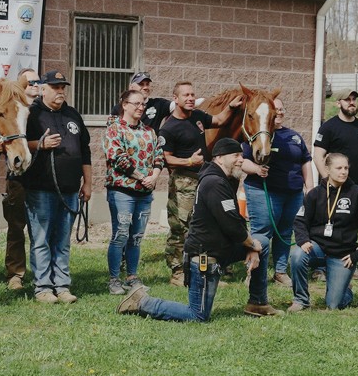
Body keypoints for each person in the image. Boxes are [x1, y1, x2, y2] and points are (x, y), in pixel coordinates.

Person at [117, 138, 281, 322]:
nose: (241, 159)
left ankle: (257, 303)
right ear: (219, 158)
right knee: (198, 315)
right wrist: (252, 245)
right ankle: (142, 302)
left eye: (242, 155)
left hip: (221, 249)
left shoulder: (222, 180)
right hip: (205, 256)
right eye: (236, 155)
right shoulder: (214, 183)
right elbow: (231, 225)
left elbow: (236, 218)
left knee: (263, 243)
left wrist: (252, 247)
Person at [159, 81, 243, 286]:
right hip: (183, 182)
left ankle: (203, 271)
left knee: (204, 226)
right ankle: (178, 272)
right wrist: (189, 161)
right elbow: (164, 158)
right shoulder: (169, 128)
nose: (189, 98)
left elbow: (219, 120)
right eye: (185, 95)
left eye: (192, 95)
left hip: (203, 180)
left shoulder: (197, 116)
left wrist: (230, 107)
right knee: (181, 226)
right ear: (175, 99)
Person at [20, 70, 92, 304]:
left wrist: (88, 182)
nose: (60, 91)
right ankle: (42, 288)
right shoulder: (31, 113)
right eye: (55, 87)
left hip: (70, 189)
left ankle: (61, 286)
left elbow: (85, 151)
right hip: (40, 188)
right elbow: (17, 143)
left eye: (63, 87)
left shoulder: (72, 114)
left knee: (62, 240)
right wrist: (39, 143)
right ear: (43, 89)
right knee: (41, 239)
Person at [288, 153, 358, 311]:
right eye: (339, 168)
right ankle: (301, 300)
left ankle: (346, 289)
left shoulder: (357, 194)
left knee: (334, 305)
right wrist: (303, 240)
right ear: (327, 169)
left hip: (342, 255)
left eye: (346, 168)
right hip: (317, 249)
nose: (343, 172)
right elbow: (300, 220)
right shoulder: (315, 194)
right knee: (297, 255)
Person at [241, 98, 313, 287]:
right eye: (276, 109)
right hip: (264, 192)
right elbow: (243, 161)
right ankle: (255, 272)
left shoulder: (294, 136)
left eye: (281, 109)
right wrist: (257, 169)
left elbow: (305, 160)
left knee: (286, 232)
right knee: (262, 233)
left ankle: (280, 272)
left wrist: (310, 187)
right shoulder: (257, 134)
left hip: (293, 193)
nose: (279, 113)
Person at [103, 89, 164, 294]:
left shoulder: (150, 131)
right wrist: (141, 177)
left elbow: (159, 155)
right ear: (125, 105)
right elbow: (117, 157)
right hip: (122, 191)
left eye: (143, 104)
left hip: (145, 193)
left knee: (136, 237)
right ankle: (114, 279)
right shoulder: (114, 129)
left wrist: (154, 176)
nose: (141, 107)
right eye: (136, 103)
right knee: (120, 234)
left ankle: (132, 276)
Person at [313, 88, 358, 275]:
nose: (351, 102)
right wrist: (327, 179)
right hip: (333, 188)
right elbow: (318, 155)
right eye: (347, 99)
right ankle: (320, 267)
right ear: (338, 103)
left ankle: (349, 264)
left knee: (351, 228)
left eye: (354, 99)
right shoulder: (329, 127)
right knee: (326, 224)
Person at [2, 68, 41, 290]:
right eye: (30, 82)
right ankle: (15, 274)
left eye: (38, 81)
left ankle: (41, 272)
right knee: (16, 227)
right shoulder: (13, 109)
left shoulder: (44, 111)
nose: (35, 85)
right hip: (18, 177)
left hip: (41, 178)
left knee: (41, 230)